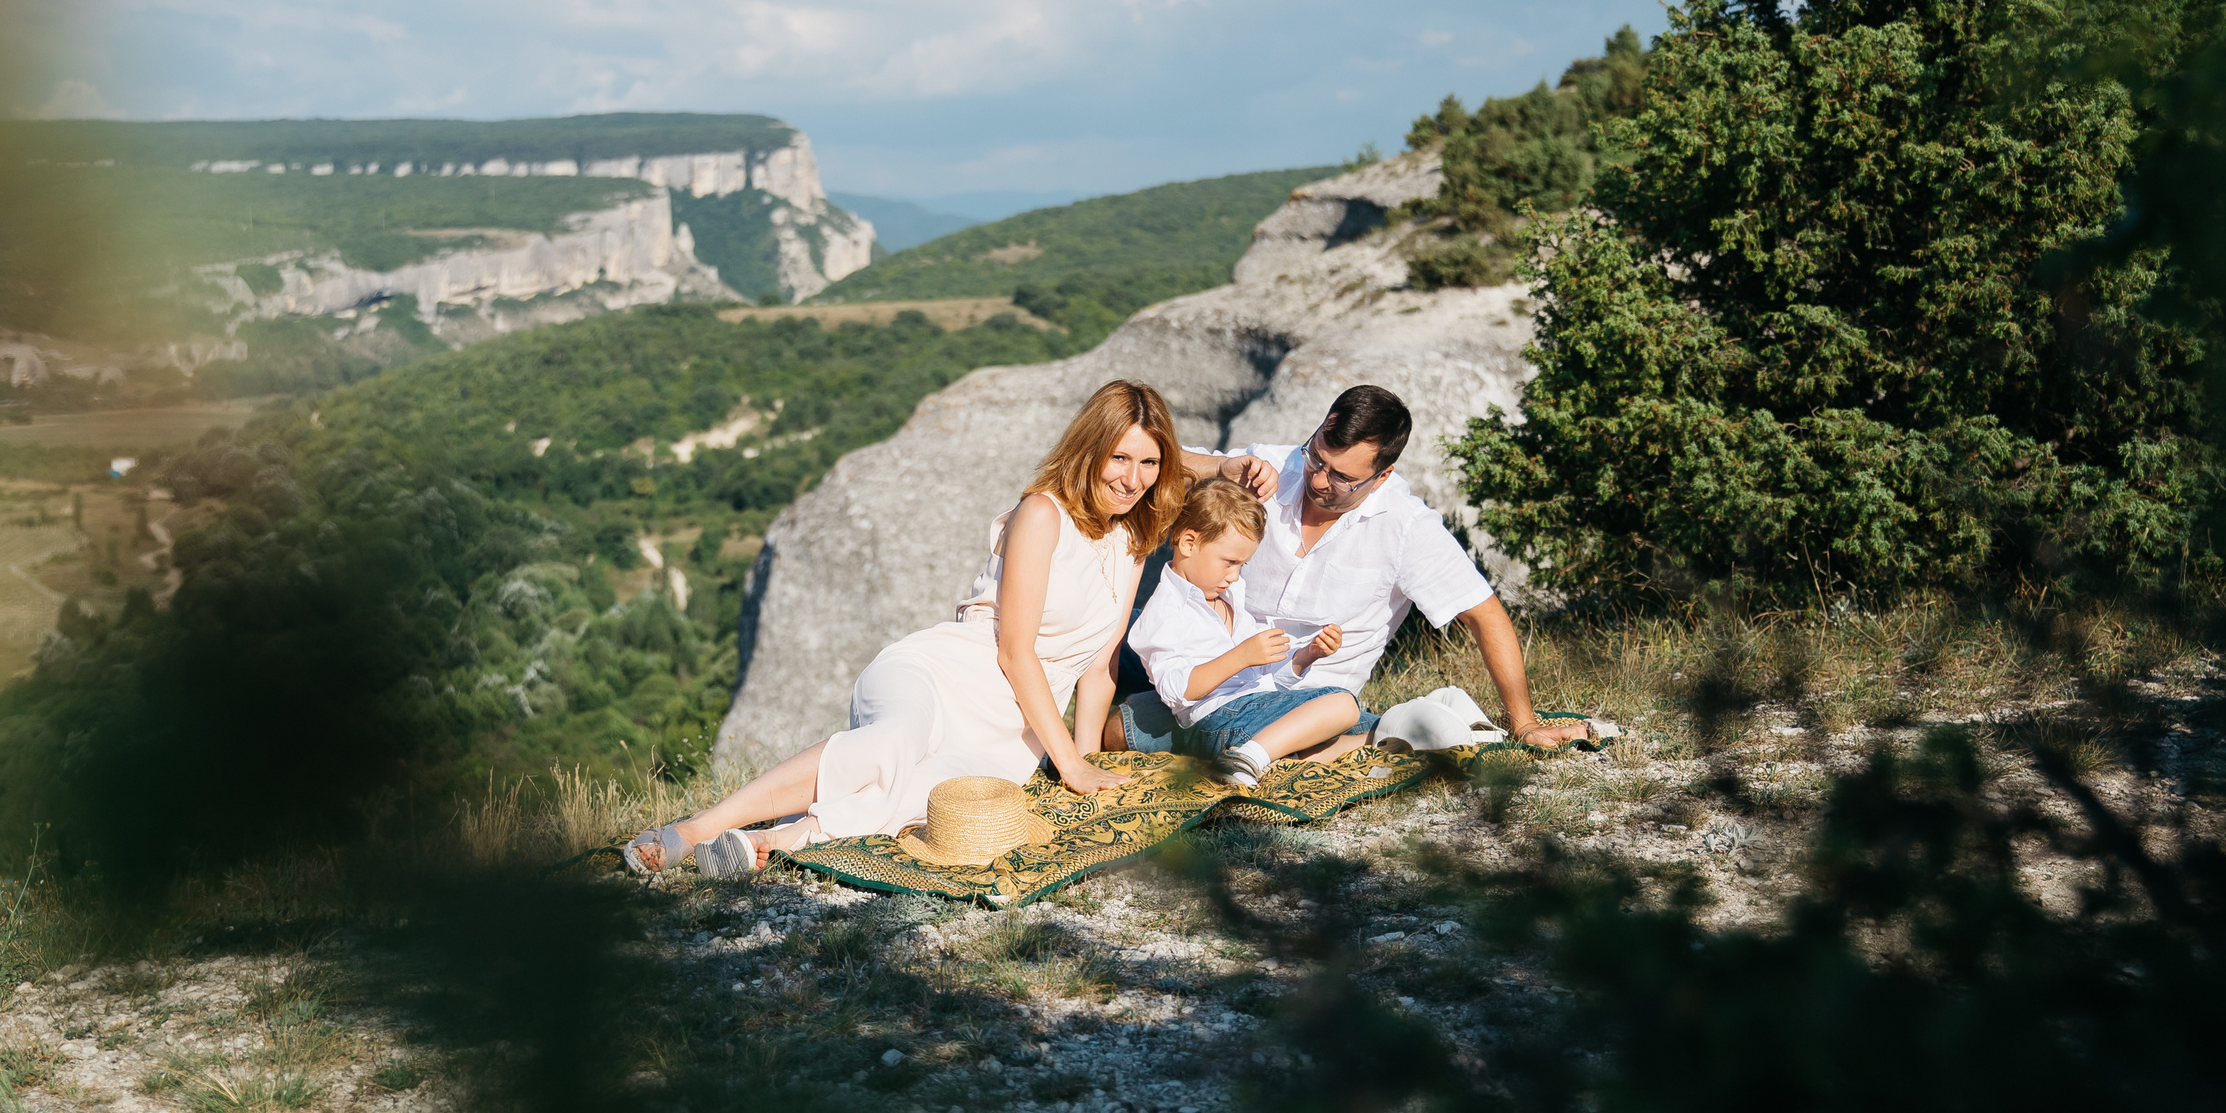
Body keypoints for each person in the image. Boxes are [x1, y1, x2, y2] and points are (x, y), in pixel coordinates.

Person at [625, 378, 1183, 876]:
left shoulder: (1131, 539)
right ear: (1090, 451)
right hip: (946, 674)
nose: (1133, 479)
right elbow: (1015, 652)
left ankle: (772, 842)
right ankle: (696, 830)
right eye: (1119, 458)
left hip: (1014, 738)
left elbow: (1103, 661)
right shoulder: (1041, 514)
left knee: (928, 794)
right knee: (893, 743)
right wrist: (1071, 765)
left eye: (1149, 464)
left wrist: (1081, 762)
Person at [1106, 383, 1589, 758]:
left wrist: (1523, 723)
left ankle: (1364, 734)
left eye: (1341, 477)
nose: (1318, 479)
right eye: (1317, 455)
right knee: (1102, 643)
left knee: (1118, 731)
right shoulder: (1273, 466)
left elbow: (1484, 615)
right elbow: (1163, 464)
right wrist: (1223, 468)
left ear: (1383, 476)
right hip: (1202, 653)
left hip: (1298, 697)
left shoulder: (1407, 528)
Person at [1124, 479, 1361, 787]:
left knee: (1361, 725)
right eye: (1229, 562)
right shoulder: (1164, 612)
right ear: (1189, 543)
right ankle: (1249, 758)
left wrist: (1307, 655)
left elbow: (1267, 679)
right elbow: (1174, 690)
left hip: (1255, 708)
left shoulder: (1230, 597)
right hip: (1219, 720)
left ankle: (1263, 759)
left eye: (1242, 565)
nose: (1234, 576)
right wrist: (1241, 656)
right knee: (1342, 704)